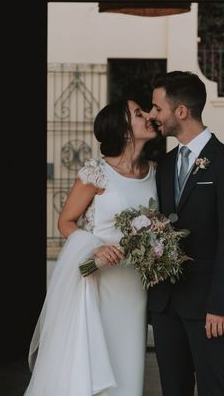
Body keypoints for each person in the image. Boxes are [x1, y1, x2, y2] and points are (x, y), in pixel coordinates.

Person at [24, 100, 158, 396]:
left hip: (133, 284)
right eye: (139, 114)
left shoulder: (155, 173)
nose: (149, 116)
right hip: (99, 280)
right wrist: (94, 248)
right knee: (93, 360)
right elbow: (66, 222)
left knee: (129, 357)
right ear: (123, 131)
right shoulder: (96, 173)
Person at [148, 71, 224, 396]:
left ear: (181, 111)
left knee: (213, 388)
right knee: (173, 389)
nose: (153, 116)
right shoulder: (163, 165)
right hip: (166, 306)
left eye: (157, 108)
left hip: (209, 305)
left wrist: (219, 304)